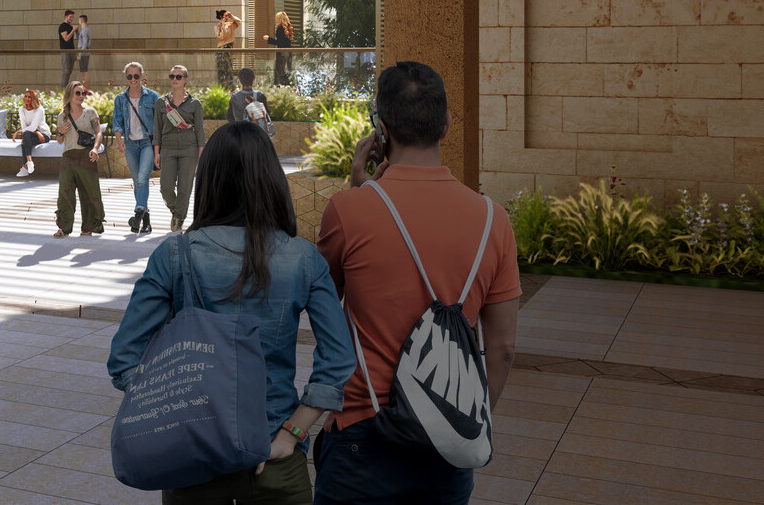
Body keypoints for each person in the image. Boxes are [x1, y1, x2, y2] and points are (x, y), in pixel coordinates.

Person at [107, 124, 355, 505]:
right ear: (272, 179)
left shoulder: (174, 255)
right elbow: (338, 359)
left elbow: (124, 360)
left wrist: (178, 404)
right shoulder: (304, 258)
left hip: (192, 461)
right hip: (275, 460)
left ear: (210, 180)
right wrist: (292, 434)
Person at [315, 61, 520, 505]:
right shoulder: (493, 221)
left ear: (381, 129)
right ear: (446, 125)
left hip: (362, 432)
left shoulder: (347, 212)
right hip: (446, 444)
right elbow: (502, 348)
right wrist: (459, 424)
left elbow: (322, 311)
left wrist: (358, 191)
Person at [155, 65, 205, 233]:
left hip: (188, 148)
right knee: (166, 187)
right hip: (168, 148)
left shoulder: (195, 103)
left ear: (185, 79)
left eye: (178, 77)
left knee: (185, 187)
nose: (174, 79)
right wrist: (157, 152)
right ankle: (177, 211)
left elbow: (199, 129)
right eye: (172, 76)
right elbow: (157, 128)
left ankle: (179, 219)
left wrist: (201, 152)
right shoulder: (162, 102)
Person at [111, 63, 160, 234]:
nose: (133, 80)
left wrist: (157, 148)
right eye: (129, 76)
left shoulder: (153, 97)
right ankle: (144, 220)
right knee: (137, 181)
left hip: (147, 142)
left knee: (142, 178)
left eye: (136, 76)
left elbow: (159, 123)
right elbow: (117, 121)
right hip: (130, 143)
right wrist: (119, 140)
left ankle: (138, 210)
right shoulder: (120, 99)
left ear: (142, 76)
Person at [55, 82, 105, 237]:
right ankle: (64, 228)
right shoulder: (62, 116)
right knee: (64, 192)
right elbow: (59, 141)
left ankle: (89, 227)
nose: (81, 96)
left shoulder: (90, 112)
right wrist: (60, 132)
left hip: (86, 156)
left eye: (83, 93)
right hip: (68, 157)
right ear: (70, 95)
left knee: (89, 192)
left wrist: (95, 148)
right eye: (78, 93)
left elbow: (98, 133)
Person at [16, 89, 50, 178]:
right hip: (33, 134)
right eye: (25, 96)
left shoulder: (39, 109)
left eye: (29, 97)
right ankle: (29, 162)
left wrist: (38, 132)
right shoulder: (21, 109)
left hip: (44, 135)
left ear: (34, 99)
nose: (26, 99)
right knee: (26, 138)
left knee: (25, 141)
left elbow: (32, 127)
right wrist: (37, 133)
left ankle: (25, 167)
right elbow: (25, 127)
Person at [230, 68, 271, 135]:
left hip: (240, 134)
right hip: (257, 134)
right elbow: (267, 114)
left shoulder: (234, 97)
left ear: (240, 80)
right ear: (253, 79)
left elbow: (230, 116)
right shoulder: (260, 96)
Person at [266, 11, 295, 87]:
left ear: (279, 19)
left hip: (281, 53)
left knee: (280, 72)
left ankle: (281, 87)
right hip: (288, 53)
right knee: (286, 71)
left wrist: (269, 39)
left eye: (277, 19)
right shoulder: (288, 28)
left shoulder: (280, 28)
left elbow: (279, 42)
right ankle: (287, 87)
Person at [214, 8, 240, 87]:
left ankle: (231, 86)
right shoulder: (217, 27)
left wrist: (231, 16)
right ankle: (221, 86)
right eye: (225, 16)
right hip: (221, 49)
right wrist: (222, 25)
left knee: (229, 68)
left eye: (227, 16)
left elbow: (239, 22)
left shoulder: (230, 24)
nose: (226, 17)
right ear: (221, 16)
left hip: (229, 48)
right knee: (221, 69)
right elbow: (221, 37)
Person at [59, 8, 79, 89]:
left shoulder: (70, 27)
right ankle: (63, 89)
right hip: (65, 51)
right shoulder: (62, 26)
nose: (71, 19)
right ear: (65, 16)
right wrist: (73, 30)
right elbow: (66, 39)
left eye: (72, 17)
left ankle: (66, 88)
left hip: (71, 51)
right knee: (66, 71)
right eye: (70, 17)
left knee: (70, 71)